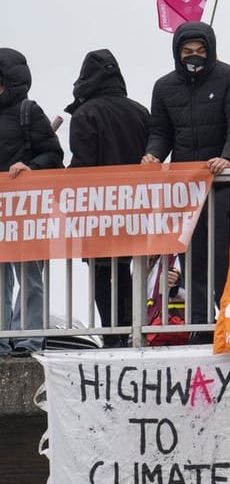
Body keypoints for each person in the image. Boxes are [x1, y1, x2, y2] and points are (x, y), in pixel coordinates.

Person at [141, 21, 230, 336]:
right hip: (185, 186)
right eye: (187, 52)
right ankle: (201, 325)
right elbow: (160, 132)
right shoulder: (163, 86)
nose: (194, 56)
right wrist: (153, 155)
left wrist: (228, 156)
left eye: (201, 51)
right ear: (177, 53)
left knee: (224, 256)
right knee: (192, 257)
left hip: (223, 182)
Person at [66, 49, 149, 347]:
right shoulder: (140, 112)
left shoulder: (85, 113)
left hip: (97, 208)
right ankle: (130, 331)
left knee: (102, 273)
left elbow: (82, 164)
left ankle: (111, 335)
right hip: (136, 205)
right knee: (128, 269)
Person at [0, 49, 61, 355]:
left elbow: (53, 155)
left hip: (24, 209)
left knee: (29, 278)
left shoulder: (28, 111)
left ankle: (28, 338)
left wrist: (30, 167)